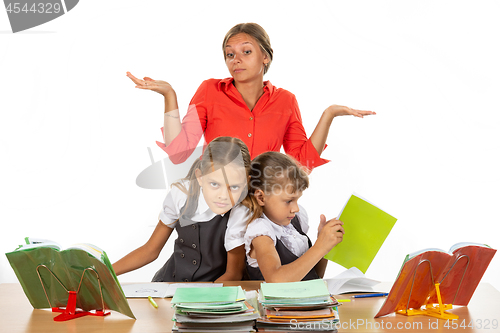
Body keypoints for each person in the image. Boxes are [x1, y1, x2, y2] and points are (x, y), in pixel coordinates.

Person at [126, 22, 375, 171]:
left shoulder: (286, 101)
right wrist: (169, 95)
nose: (236, 60)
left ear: (265, 56)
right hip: (216, 201)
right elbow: (179, 153)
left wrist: (329, 114)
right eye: (229, 54)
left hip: (261, 202)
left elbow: (301, 165)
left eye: (246, 51)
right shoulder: (209, 91)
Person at [113, 137, 251, 282]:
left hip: (210, 293)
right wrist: (105, 272)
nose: (223, 196)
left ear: (246, 182)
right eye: (215, 184)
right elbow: (150, 250)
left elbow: (233, 274)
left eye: (234, 187)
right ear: (200, 177)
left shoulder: (240, 212)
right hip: (168, 285)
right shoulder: (181, 194)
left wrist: (199, 302)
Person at [242, 151, 344, 282]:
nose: (296, 208)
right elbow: (275, 279)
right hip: (280, 302)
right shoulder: (261, 232)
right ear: (261, 197)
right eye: (289, 201)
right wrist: (320, 247)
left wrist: (324, 243)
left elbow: (314, 275)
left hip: (307, 300)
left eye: (297, 200)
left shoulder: (295, 222)